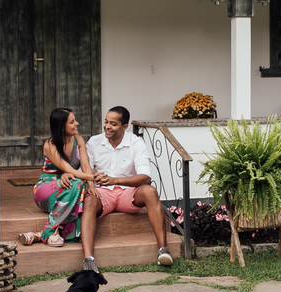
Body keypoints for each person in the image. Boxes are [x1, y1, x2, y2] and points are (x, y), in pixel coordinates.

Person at [79, 105, 173, 271]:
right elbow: (85, 169)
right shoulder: (94, 142)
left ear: (124, 127)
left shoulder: (136, 143)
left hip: (128, 194)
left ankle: (163, 250)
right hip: (103, 193)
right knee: (89, 200)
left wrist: (114, 180)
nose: (107, 126)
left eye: (113, 124)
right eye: (106, 122)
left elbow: (145, 176)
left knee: (150, 191)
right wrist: (93, 179)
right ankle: (88, 259)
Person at [19, 107, 95, 248]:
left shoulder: (78, 140)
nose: (77, 123)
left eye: (75, 120)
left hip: (69, 185)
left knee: (80, 185)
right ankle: (49, 231)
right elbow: (68, 169)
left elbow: (85, 165)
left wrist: (91, 186)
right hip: (46, 189)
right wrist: (93, 178)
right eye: (72, 122)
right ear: (61, 127)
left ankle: (40, 235)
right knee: (78, 183)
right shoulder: (50, 145)